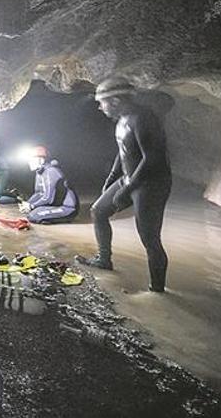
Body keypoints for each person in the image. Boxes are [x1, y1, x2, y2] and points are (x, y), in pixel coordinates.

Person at [77, 77, 172, 293]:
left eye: (103, 103)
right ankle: (104, 259)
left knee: (149, 237)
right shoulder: (122, 120)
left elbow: (152, 158)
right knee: (98, 210)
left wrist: (126, 190)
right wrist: (112, 179)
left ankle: (157, 291)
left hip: (152, 182)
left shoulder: (144, 118)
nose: (100, 108)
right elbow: (123, 153)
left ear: (117, 100)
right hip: (130, 177)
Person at [18, 146, 79, 223]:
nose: (29, 163)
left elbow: (48, 198)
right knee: (32, 213)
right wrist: (28, 203)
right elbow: (38, 193)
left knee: (34, 216)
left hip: (68, 208)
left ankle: (62, 218)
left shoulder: (51, 171)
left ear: (41, 160)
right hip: (56, 205)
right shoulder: (39, 173)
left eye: (31, 160)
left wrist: (31, 206)